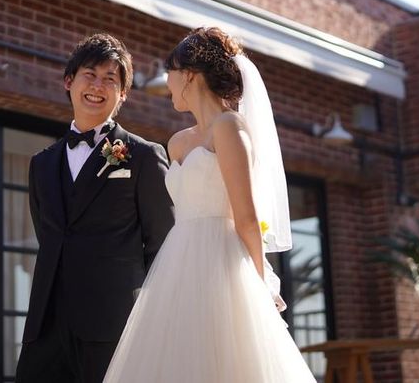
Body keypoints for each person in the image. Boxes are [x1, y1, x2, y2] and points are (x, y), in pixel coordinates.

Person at [103, 27, 316, 382]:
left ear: (188, 75)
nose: (167, 82)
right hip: (177, 265)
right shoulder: (177, 142)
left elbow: (246, 218)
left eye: (170, 72)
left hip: (223, 263)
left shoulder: (229, 127)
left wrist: (261, 283)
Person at [15, 33, 175, 383]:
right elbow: (49, 236)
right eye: (90, 74)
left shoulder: (144, 156)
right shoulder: (41, 164)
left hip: (113, 323)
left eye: (110, 79)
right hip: (46, 324)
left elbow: (163, 244)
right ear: (69, 82)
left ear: (123, 94)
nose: (98, 86)